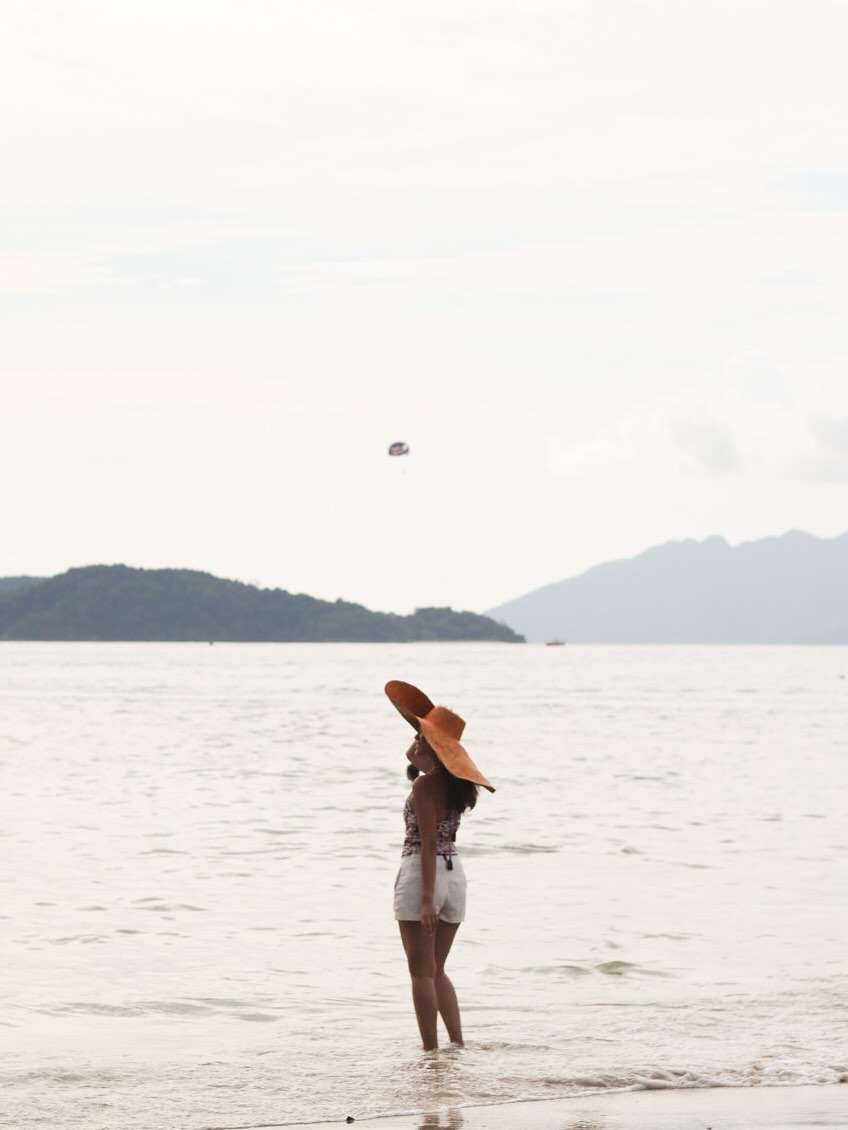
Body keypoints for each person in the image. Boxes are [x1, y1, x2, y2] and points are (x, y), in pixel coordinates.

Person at [385, 680, 495, 1051]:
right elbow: (412, 756)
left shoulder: (423, 787)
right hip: (455, 875)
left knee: (420, 973)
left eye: (421, 738)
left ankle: (430, 1053)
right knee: (438, 970)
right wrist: (425, 743)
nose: (414, 743)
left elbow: (429, 843)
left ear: (432, 747)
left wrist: (427, 900)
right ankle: (457, 1045)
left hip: (423, 874)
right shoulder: (456, 786)